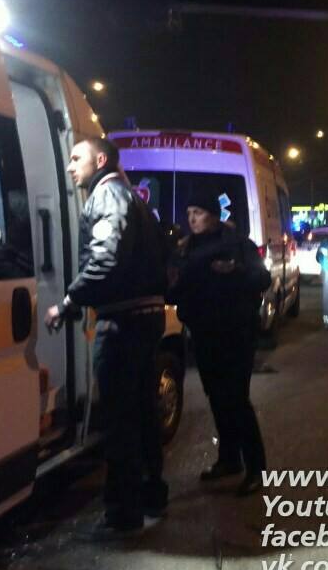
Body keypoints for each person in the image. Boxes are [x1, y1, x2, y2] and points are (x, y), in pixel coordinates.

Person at [44, 137, 168, 540]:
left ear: (100, 160)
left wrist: (68, 302)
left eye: (75, 158)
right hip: (145, 316)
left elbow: (106, 259)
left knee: (119, 420)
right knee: (143, 412)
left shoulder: (108, 195)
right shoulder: (132, 198)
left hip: (123, 322)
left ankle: (122, 513)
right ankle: (151, 495)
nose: (69, 166)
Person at [166, 186, 271, 496]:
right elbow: (175, 289)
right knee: (216, 397)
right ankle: (229, 458)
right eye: (189, 213)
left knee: (236, 399)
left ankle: (256, 468)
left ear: (213, 216)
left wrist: (236, 271)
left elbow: (262, 278)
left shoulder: (237, 244)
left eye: (198, 213)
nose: (192, 219)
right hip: (204, 333)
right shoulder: (185, 249)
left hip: (236, 334)